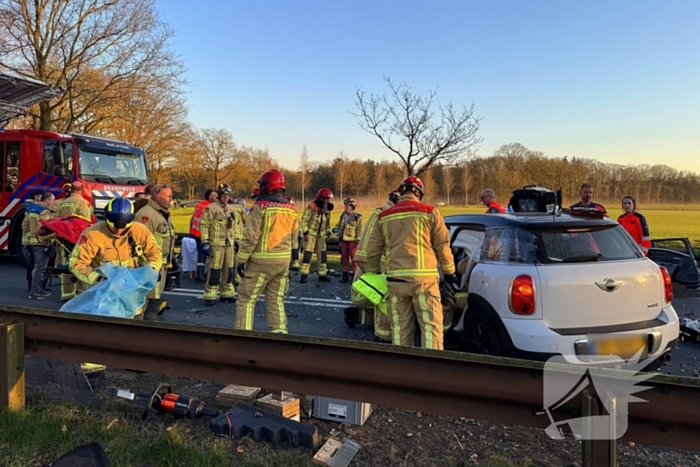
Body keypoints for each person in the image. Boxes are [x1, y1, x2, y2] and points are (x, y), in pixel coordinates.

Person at [365, 176, 457, 350]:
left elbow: (373, 250)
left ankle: (403, 365)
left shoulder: (384, 216)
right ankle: (430, 364)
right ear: (419, 193)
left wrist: (374, 271)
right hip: (424, 281)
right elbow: (443, 246)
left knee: (400, 329)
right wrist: (450, 272)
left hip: (396, 282)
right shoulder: (430, 212)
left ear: (401, 192)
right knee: (430, 328)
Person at [69, 197, 162, 318]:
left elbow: (154, 251)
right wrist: (99, 279)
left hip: (130, 295)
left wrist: (152, 270)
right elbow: (76, 263)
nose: (118, 231)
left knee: (134, 324)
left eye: (123, 228)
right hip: (102, 297)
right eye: (114, 227)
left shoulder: (139, 230)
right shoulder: (92, 235)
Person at [234, 170, 299, 333]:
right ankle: (279, 333)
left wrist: (241, 260)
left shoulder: (260, 207)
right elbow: (294, 239)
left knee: (246, 299)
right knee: (276, 299)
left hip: (260, 262)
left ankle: (243, 335)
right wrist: (293, 260)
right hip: (283, 262)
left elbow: (250, 237)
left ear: (266, 186)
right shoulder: (291, 209)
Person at [348, 190, 400, 342]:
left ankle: (360, 317)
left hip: (387, 267)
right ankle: (383, 337)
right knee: (385, 297)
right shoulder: (382, 214)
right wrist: (375, 273)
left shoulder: (398, 215)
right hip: (377, 269)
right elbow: (364, 252)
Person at [135, 184, 176, 319]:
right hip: (150, 267)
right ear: (158, 197)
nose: (171, 199)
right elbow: (139, 244)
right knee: (146, 300)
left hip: (160, 266)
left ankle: (149, 324)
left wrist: (171, 258)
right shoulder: (146, 215)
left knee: (155, 298)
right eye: (168, 196)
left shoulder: (162, 213)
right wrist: (149, 267)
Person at [54, 181, 93, 300]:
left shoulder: (63, 203)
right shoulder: (83, 203)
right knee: (81, 264)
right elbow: (85, 224)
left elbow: (56, 220)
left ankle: (67, 294)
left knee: (65, 265)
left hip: (62, 238)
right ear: (82, 190)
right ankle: (82, 293)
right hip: (76, 239)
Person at [200, 183, 237, 306]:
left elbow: (234, 226)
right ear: (219, 195)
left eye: (228, 195)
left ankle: (227, 292)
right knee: (215, 270)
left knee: (229, 269)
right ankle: (210, 294)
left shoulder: (231, 208)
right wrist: (205, 242)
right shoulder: (210, 208)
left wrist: (236, 240)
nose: (226, 198)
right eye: (224, 195)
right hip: (216, 244)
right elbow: (204, 225)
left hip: (229, 244)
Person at [23, 192, 56, 299]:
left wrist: (31, 236)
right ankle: (35, 292)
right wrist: (52, 236)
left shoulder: (32, 209)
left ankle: (37, 289)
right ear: (47, 200)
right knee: (40, 268)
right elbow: (45, 229)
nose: (53, 203)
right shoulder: (44, 211)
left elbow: (24, 225)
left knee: (37, 267)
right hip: (42, 242)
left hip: (33, 242)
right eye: (52, 200)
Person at [299, 187, 334, 283]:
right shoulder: (311, 206)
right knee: (307, 255)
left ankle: (322, 274)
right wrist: (305, 233)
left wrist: (328, 233)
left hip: (321, 235)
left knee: (322, 255)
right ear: (322, 198)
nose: (328, 201)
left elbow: (328, 223)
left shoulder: (327, 209)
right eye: (327, 199)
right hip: (311, 235)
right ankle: (304, 274)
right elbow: (304, 220)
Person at [189, 189, 217, 281]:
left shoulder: (200, 204)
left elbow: (193, 218)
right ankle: (199, 275)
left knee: (200, 254)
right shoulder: (209, 207)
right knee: (202, 255)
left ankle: (198, 273)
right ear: (209, 197)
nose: (216, 197)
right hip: (202, 234)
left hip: (195, 232)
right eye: (214, 196)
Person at [336, 198, 363, 283]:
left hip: (352, 240)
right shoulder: (343, 216)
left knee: (354, 259)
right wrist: (336, 229)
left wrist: (358, 239)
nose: (346, 208)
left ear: (352, 207)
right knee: (344, 259)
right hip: (343, 240)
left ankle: (355, 276)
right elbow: (339, 225)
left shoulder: (357, 217)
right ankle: (345, 276)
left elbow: (359, 229)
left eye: (347, 206)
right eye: (345, 206)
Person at [231, 198, 249, 285]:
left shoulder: (225, 208)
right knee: (238, 259)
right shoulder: (240, 209)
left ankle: (226, 278)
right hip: (239, 237)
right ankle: (237, 277)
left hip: (228, 237)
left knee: (229, 259)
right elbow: (248, 222)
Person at [286, 196, 302, 271]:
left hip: (291, 233)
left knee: (294, 246)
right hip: (290, 233)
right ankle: (294, 262)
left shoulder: (292, 213)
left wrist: (300, 233)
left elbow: (298, 223)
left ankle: (294, 262)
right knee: (293, 246)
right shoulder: (294, 212)